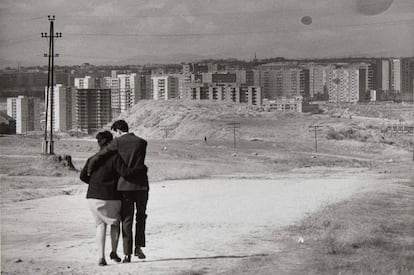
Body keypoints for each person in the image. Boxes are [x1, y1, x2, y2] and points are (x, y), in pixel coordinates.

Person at [80, 131, 147, 266]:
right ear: (111, 143)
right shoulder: (115, 158)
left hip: (92, 197)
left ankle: (101, 257)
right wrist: (141, 169)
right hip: (110, 196)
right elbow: (125, 173)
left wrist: (95, 184)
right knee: (115, 224)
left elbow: (82, 176)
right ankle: (114, 252)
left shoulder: (92, 158)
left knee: (100, 225)